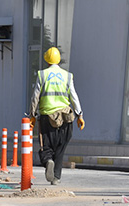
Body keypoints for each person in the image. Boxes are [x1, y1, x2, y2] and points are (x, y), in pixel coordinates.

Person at [29, 47, 85, 185]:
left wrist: (32, 115)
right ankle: (56, 178)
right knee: (61, 147)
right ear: (59, 60)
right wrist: (80, 115)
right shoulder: (67, 75)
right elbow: (74, 96)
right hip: (66, 118)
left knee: (46, 146)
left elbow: (35, 97)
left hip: (48, 118)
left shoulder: (42, 75)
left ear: (46, 60)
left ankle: (48, 161)